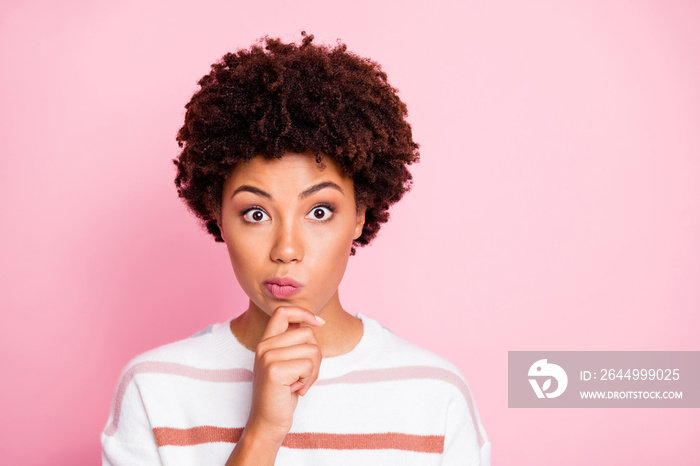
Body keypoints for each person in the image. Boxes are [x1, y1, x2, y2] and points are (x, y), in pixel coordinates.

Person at [101, 33, 491, 465]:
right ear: (217, 216)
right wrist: (262, 435)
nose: (287, 249)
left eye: (320, 211)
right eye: (256, 213)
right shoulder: (155, 390)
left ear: (360, 214)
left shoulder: (435, 395)